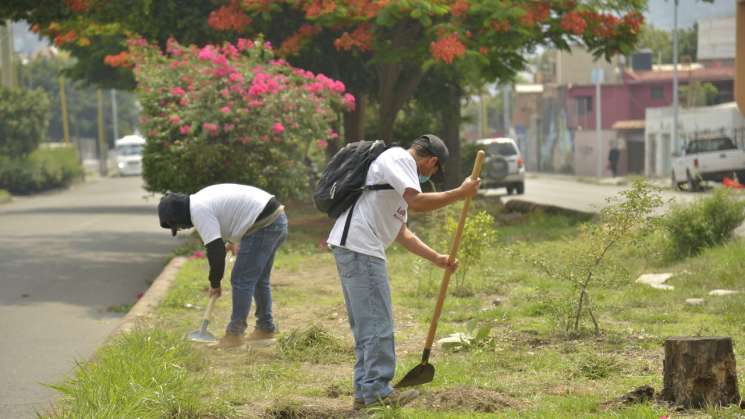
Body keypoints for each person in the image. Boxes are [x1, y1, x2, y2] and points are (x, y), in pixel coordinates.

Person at [326, 134, 481, 410]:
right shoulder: (399, 159)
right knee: (377, 325)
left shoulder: (395, 180)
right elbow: (418, 202)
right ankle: (377, 393)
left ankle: (365, 394)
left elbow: (402, 232)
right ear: (432, 161)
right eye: (433, 170)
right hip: (361, 247)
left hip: (354, 246)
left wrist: (437, 257)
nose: (430, 175)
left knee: (367, 326)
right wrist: (460, 193)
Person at [158, 183, 288, 348]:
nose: (184, 228)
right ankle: (265, 329)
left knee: (241, 279)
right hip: (276, 218)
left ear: (178, 216)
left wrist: (215, 283)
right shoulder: (201, 198)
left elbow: (215, 252)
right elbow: (235, 213)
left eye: (179, 226)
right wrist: (233, 240)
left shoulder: (198, 211)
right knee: (258, 279)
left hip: (264, 225)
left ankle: (235, 335)